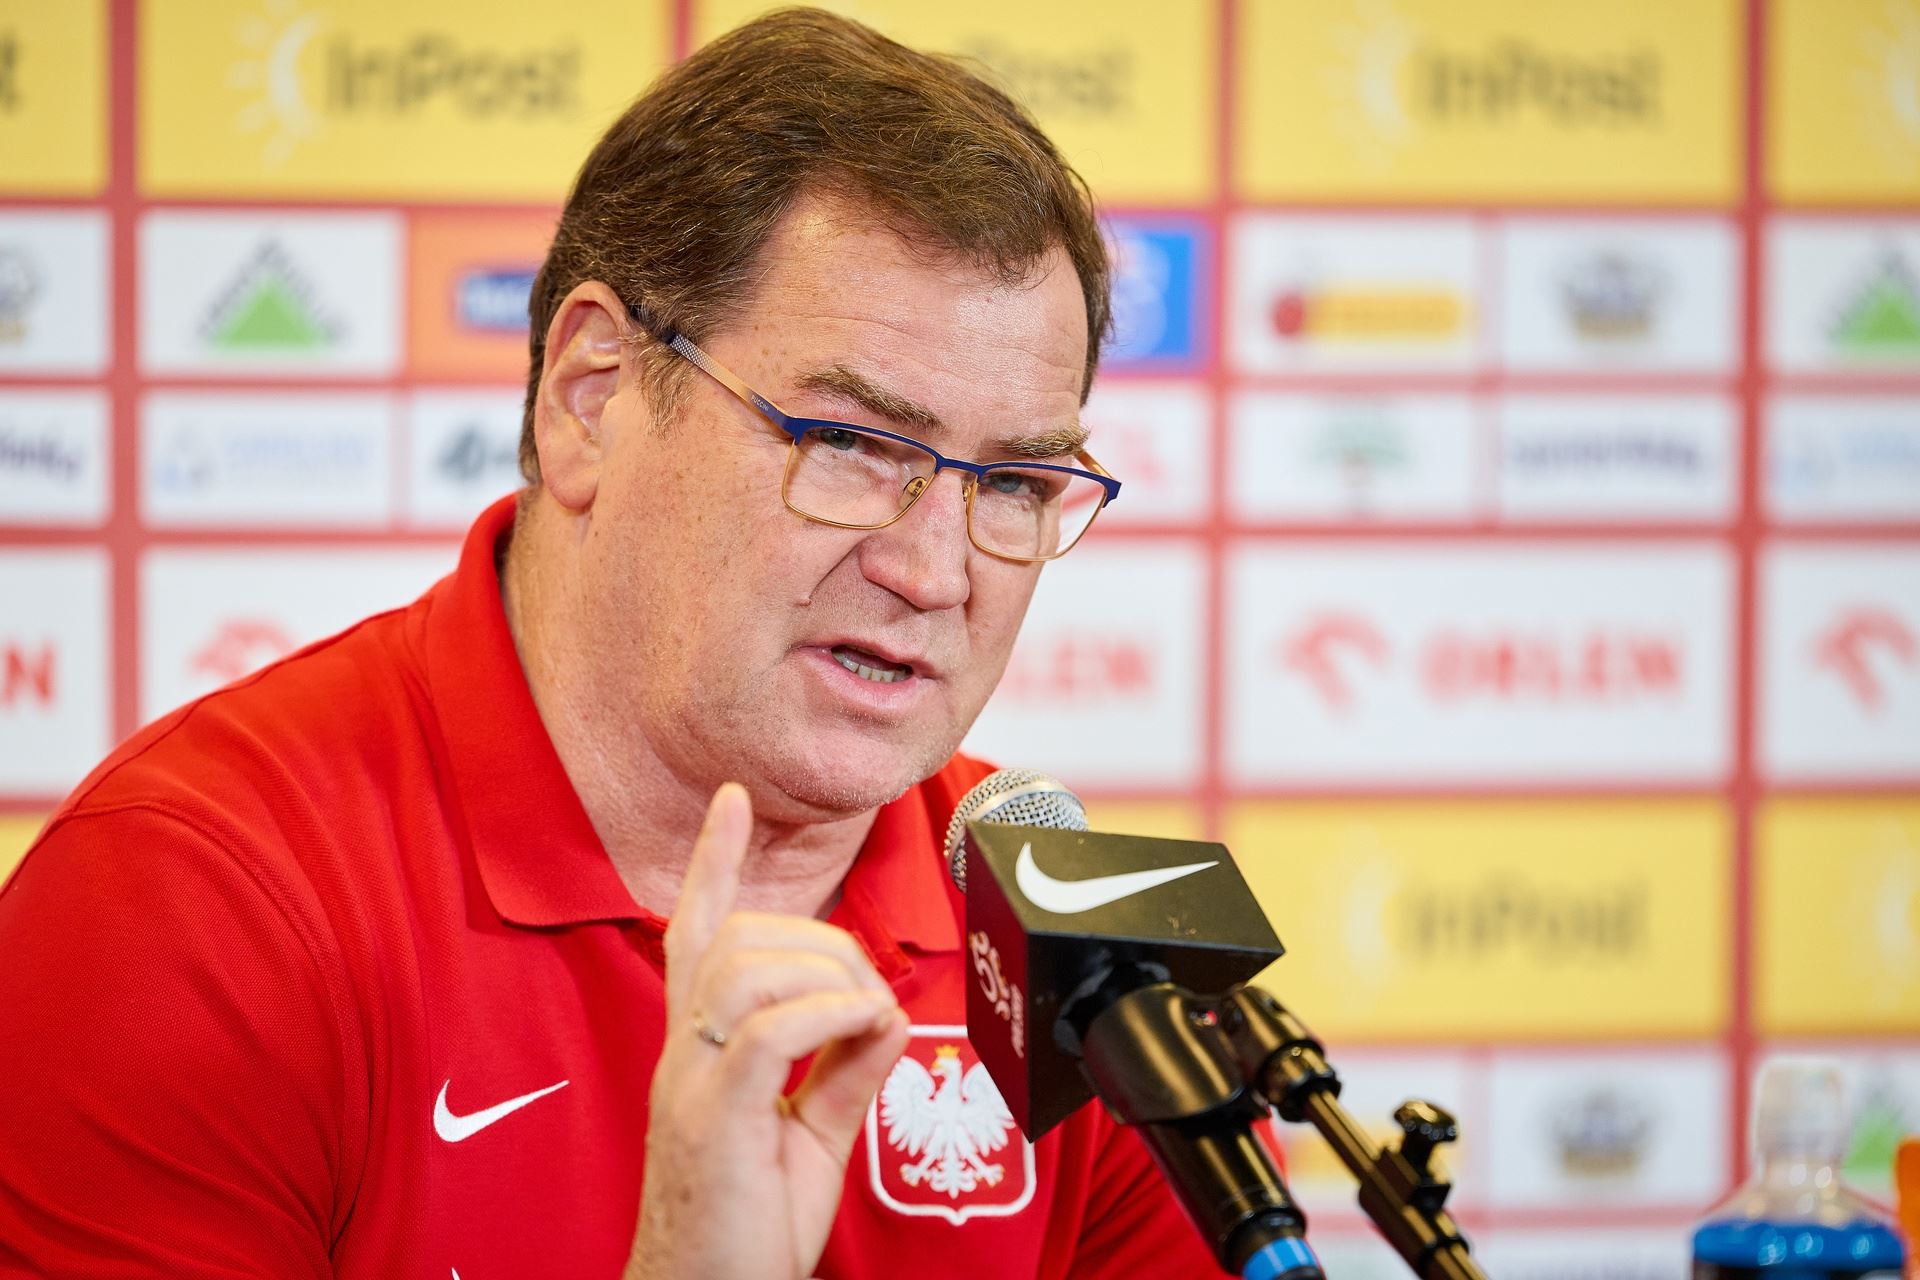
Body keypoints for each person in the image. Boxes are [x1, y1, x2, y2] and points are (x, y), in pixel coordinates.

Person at [0, 10, 1225, 1279]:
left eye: (1015, 481)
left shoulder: (1081, 951)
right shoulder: (190, 901)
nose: (932, 572)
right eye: (852, 445)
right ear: (593, 398)